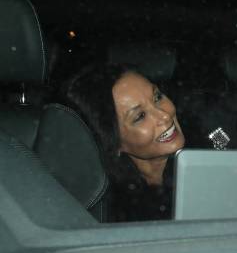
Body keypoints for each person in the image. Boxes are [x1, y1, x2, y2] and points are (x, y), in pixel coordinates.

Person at [66, 63, 186, 221]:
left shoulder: (216, 147)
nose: (164, 115)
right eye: (140, 116)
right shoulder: (108, 208)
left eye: (157, 97)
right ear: (113, 142)